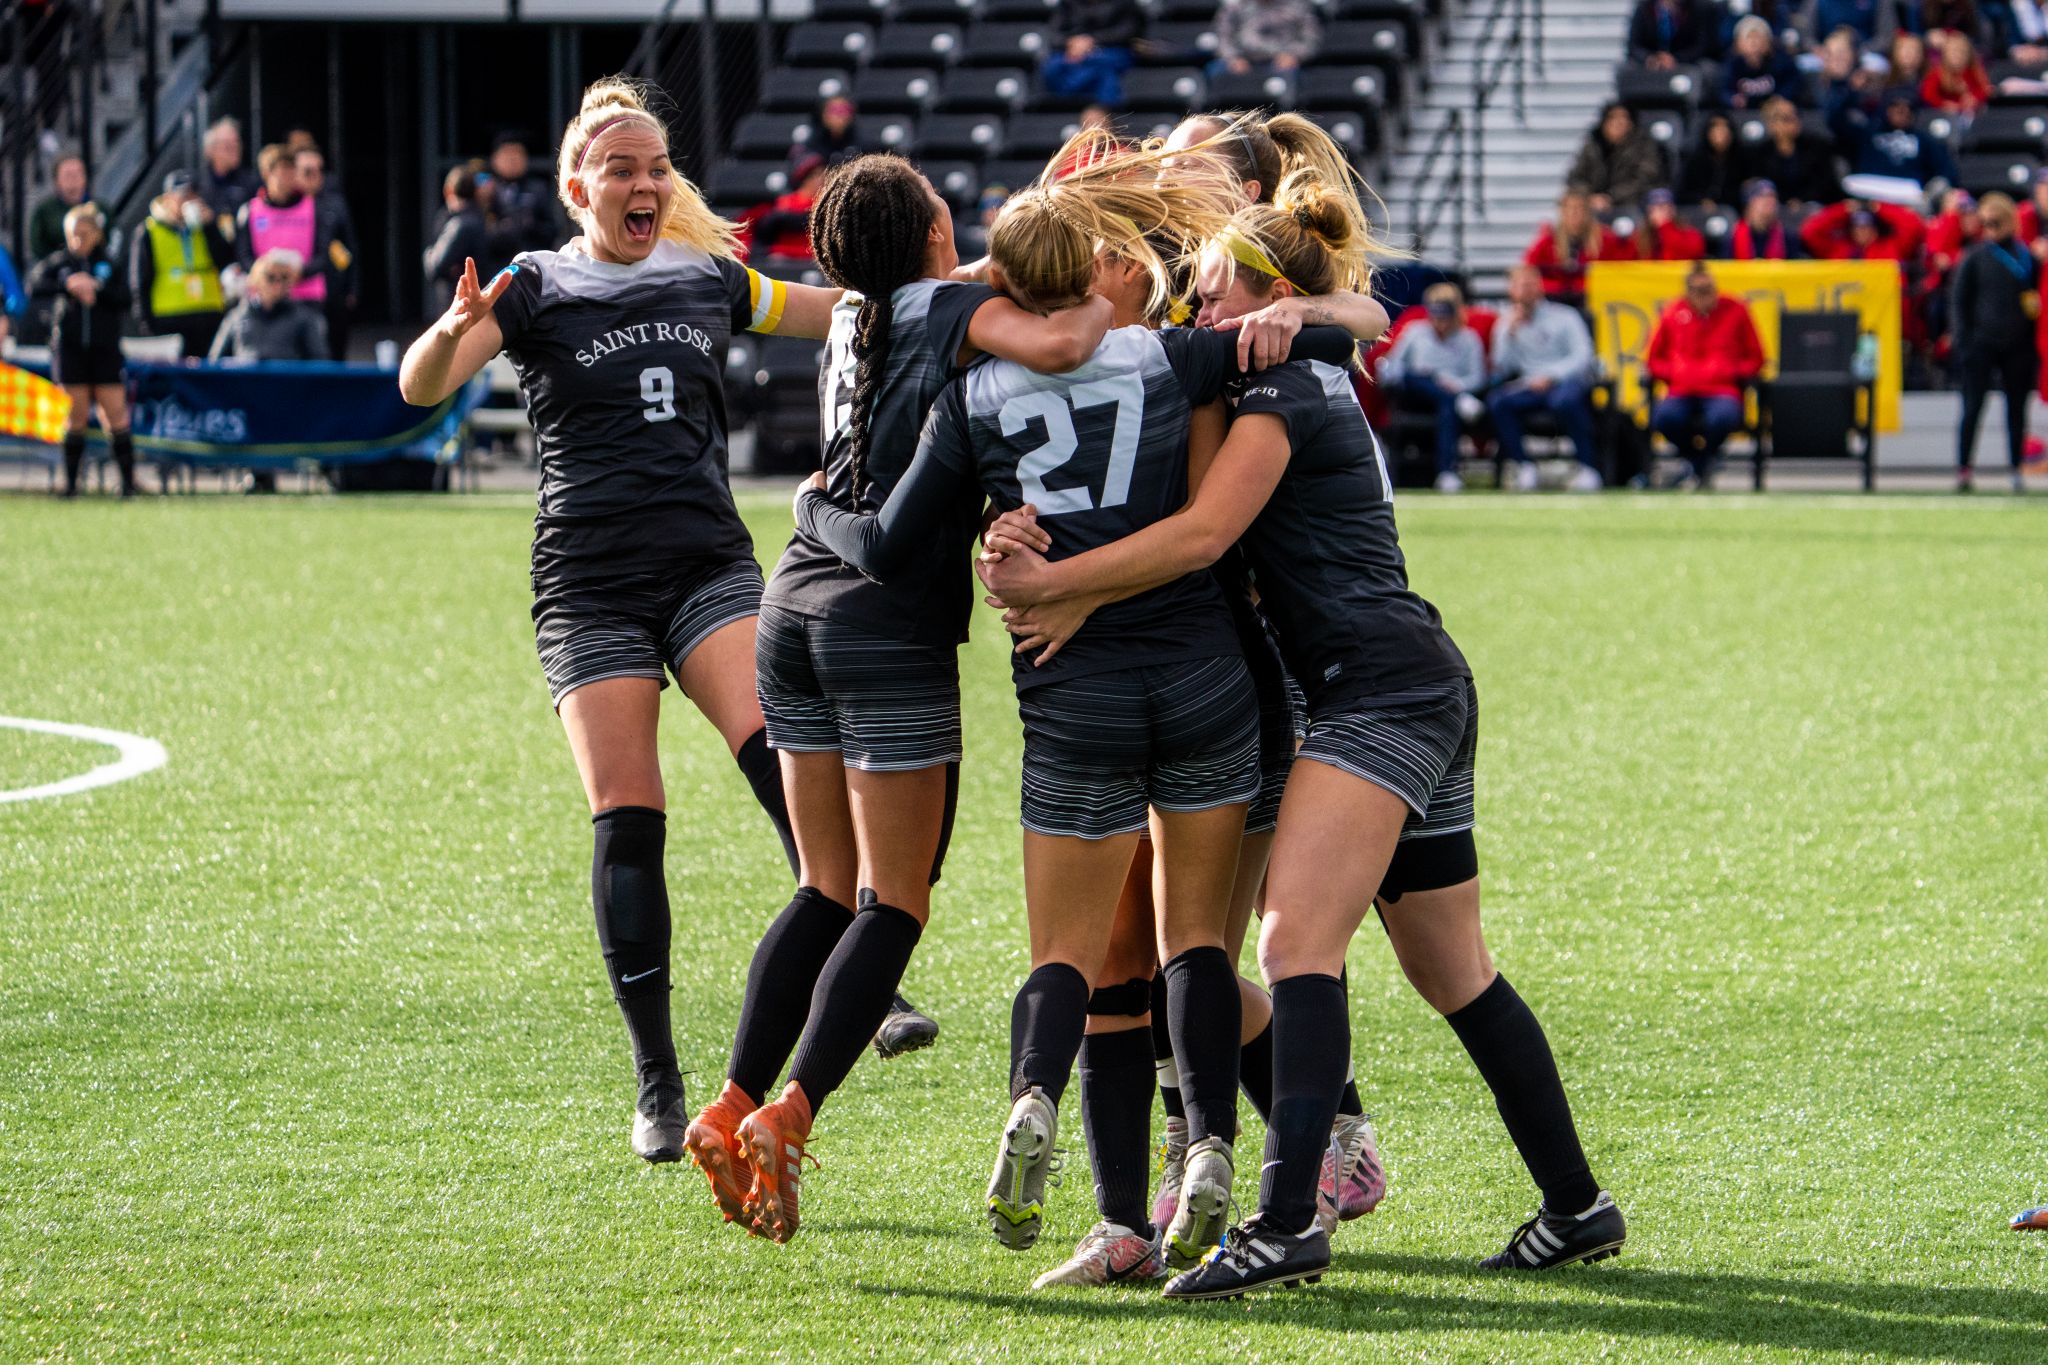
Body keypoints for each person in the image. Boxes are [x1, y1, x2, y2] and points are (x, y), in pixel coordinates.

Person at [980, 184, 1625, 1301]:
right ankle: (1575, 1206)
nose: (1194, 299)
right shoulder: (1284, 357)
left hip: (1371, 692)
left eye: (1214, 285)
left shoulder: (1280, 381)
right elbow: (1334, 326)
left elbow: (1205, 533)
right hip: (1415, 679)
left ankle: (1284, 1223)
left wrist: (1061, 590)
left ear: (1268, 296)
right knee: (1449, 969)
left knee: (1290, 947)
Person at [793, 138, 1366, 1278]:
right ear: (1103, 270)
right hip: (1204, 673)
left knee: (1064, 951)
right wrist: (1300, 316)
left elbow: (900, 538)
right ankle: (1204, 1148)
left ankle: (1031, 1105)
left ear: (1005, 283)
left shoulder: (973, 388)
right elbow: (1346, 328)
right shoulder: (1166, 356)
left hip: (1070, 687)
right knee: (1191, 943)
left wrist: (826, 513)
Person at [397, 77, 847, 1167]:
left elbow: (833, 311)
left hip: (705, 565)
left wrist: (955, 283)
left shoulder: (705, 272)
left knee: (777, 756)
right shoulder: (534, 281)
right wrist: (454, 328)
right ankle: (657, 1081)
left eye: (655, 167)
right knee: (629, 815)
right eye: (620, 168)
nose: (643, 183)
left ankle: (854, 971)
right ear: (575, 187)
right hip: (589, 581)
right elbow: (419, 388)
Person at [679, 152, 1119, 1244]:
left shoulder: (852, 318)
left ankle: (731, 1097)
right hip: (886, 625)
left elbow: (947, 282)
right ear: (929, 237)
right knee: (892, 900)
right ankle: (790, 1111)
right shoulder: (959, 311)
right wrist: (1119, 282)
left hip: (791, 607)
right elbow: (1062, 338)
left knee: (824, 885)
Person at [28, 203, 135, 497]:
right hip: (70, 348)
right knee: (73, 416)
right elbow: (35, 285)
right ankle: (72, 486)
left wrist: (96, 290)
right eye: (74, 235)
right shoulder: (59, 264)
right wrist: (69, 285)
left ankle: (127, 484)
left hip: (104, 349)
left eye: (85, 234)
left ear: (97, 234)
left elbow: (125, 297)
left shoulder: (110, 264)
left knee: (114, 414)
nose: (79, 240)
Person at [1645, 263, 1763, 487]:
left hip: (1722, 389)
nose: (1704, 296)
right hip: (1681, 390)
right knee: (1664, 417)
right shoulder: (1673, 312)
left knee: (1723, 417)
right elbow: (1653, 360)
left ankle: (1701, 461)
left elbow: (1756, 357)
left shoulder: (1736, 310)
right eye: (1697, 290)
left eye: (1708, 289)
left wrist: (1732, 371)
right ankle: (1698, 463)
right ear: (1687, 292)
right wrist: (1675, 372)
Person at [1487, 264, 1603, 491]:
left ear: (1540, 287)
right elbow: (1501, 367)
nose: (1526, 290)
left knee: (1565, 401)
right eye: (1520, 285)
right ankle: (1523, 466)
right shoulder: (1505, 323)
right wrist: (1509, 335)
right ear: (1511, 290)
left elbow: (1583, 355)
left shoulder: (1565, 316)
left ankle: (1587, 467)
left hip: (1564, 383)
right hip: (1528, 386)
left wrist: (1551, 376)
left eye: (1530, 284)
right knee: (1498, 402)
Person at [1950, 192, 2038, 492]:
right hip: (1982, 343)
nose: (1989, 228)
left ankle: (2015, 467)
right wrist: (1965, 342)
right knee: (1972, 407)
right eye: (1984, 223)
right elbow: (1959, 302)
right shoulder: (1975, 256)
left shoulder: (2026, 257)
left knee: (2016, 410)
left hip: (2018, 343)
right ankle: (1964, 468)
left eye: (1995, 222)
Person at [1378, 283, 1487, 493]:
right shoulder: (1415, 332)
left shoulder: (1469, 339)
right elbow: (1394, 366)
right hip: (1414, 394)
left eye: (1445, 317)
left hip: (1447, 398)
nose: (1440, 323)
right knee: (1419, 376)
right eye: (1436, 316)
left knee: (1447, 401)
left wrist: (1456, 385)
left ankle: (1446, 473)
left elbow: (1478, 377)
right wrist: (1432, 378)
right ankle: (1458, 399)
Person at [129, 170, 230, 361]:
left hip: (208, 313)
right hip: (168, 317)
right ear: (168, 198)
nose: (189, 201)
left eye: (193, 196)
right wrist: (145, 323)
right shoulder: (149, 231)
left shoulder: (206, 225)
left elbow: (225, 260)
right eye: (183, 196)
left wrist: (210, 227)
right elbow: (140, 281)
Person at [237, 145, 345, 319]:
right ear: (267, 173)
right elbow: (244, 257)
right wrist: (271, 275)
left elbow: (324, 254)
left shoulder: (314, 207)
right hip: (265, 299)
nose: (288, 179)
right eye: (283, 173)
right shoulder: (250, 211)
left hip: (307, 298)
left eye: (291, 172)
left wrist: (299, 272)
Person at [295, 146, 358, 360]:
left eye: (319, 170)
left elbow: (349, 246)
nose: (315, 176)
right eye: (308, 171)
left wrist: (353, 286)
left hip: (333, 287)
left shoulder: (334, 203)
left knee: (336, 349)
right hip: (302, 289)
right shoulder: (289, 206)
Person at [209, 250, 328, 363]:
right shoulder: (238, 316)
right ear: (256, 280)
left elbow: (319, 362)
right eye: (270, 277)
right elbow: (215, 361)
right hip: (245, 382)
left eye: (285, 277)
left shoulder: (304, 318)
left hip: (287, 382)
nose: (278, 283)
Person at [1830, 88, 1958, 188]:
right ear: (1886, 109)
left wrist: (1933, 190)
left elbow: (1946, 170)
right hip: (1869, 192)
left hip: (1909, 196)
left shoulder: (1924, 140)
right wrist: (1851, 92)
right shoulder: (1867, 134)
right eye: (1896, 106)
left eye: (1908, 108)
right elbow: (1835, 122)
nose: (1902, 111)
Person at [1523, 190, 1631, 305]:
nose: (1575, 214)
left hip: (1595, 299)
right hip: (1555, 300)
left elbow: (1623, 269)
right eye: (1570, 209)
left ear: (1588, 211)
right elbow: (1528, 268)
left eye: (1580, 209)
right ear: (1562, 212)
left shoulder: (1605, 239)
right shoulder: (1548, 240)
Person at [1738, 97, 1843, 207]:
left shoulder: (1817, 146)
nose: (1794, 121)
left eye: (1796, 116)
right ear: (1771, 124)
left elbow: (1824, 183)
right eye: (1786, 118)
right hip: (1776, 207)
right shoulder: (1760, 153)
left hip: (1813, 205)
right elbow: (1761, 184)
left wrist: (1801, 200)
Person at [482, 131, 564, 272]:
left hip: (532, 269)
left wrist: (531, 226)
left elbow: (553, 229)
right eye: (507, 154)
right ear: (495, 159)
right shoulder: (486, 190)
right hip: (494, 270)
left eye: (518, 153)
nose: (513, 159)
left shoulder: (538, 189)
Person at [1566, 103, 1666, 214]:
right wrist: (1590, 196)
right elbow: (1575, 178)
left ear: (1631, 123)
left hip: (1633, 205)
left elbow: (1644, 180)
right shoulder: (1593, 145)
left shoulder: (1644, 146)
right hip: (1595, 205)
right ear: (1604, 123)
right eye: (1612, 118)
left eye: (1624, 118)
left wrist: (1610, 197)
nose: (1618, 123)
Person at [1039, 0, 1141, 107]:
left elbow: (1128, 31)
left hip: (1111, 50)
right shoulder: (1067, 3)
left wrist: (1092, 41)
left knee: (1105, 71)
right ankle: (1066, 108)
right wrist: (1072, 43)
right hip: (1072, 51)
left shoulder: (1124, 3)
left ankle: (1104, 111)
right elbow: (1054, 34)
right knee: (1052, 67)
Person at [424, 164, 491, 316]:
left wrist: (429, 252)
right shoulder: (483, 219)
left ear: (448, 191)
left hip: (461, 308)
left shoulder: (461, 225)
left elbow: (434, 266)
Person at [744, 152, 827, 260]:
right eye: (817, 175)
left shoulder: (825, 203)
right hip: (785, 254)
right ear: (806, 178)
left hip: (814, 255)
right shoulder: (786, 202)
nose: (823, 178)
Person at [1212, 0, 1321, 78]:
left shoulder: (1298, 5)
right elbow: (1222, 36)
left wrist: (1293, 55)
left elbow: (1311, 38)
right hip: (1243, 59)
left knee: (1291, 76)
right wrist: (1233, 59)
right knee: (1216, 71)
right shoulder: (1236, 6)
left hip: (1282, 61)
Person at [1799, 198, 1926, 261]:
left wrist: (1879, 207)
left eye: (1866, 226)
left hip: (1884, 308)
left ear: (1875, 229)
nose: (1861, 231)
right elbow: (1809, 232)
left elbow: (1914, 226)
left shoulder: (1891, 247)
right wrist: (1843, 209)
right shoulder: (1838, 249)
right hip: (1845, 308)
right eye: (1857, 226)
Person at [1723, 16, 1806, 108]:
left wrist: (1781, 97)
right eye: (1748, 38)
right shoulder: (1731, 64)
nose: (1753, 43)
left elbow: (1793, 83)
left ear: (1768, 42)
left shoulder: (1782, 62)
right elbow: (1724, 90)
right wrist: (1732, 99)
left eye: (1757, 37)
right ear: (1738, 43)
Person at [199, 117, 261, 228]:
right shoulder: (197, 184)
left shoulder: (253, 182)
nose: (235, 148)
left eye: (237, 143)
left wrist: (214, 217)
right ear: (210, 150)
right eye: (227, 145)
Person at [29, 153, 88, 262]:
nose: (74, 180)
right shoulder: (44, 211)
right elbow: (38, 248)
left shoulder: (98, 208)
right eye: (68, 175)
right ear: (57, 181)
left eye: (78, 174)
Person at [1677, 113, 1744, 208]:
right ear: (1707, 132)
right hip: (1698, 212)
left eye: (1726, 127)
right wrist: (1701, 201)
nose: (1722, 132)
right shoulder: (1694, 161)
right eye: (1716, 127)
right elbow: (1682, 193)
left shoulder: (1742, 160)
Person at [1726, 179, 1805, 259]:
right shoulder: (1732, 236)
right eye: (1762, 196)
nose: (1769, 200)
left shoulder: (1788, 238)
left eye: (1772, 196)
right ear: (1749, 204)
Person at [1922, 30, 1992, 115]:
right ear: (1945, 55)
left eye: (1961, 52)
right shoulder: (1938, 73)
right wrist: (1943, 104)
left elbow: (1985, 89)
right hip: (1946, 115)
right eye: (1953, 52)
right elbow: (1927, 94)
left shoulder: (1974, 71)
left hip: (1972, 113)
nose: (1957, 56)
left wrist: (1975, 98)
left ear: (1968, 55)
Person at [1627, 0, 1714, 67]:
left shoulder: (1698, 7)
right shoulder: (1644, 7)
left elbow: (1701, 46)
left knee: (1707, 68)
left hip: (1685, 61)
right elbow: (1633, 45)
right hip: (1651, 60)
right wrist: (1649, 58)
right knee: (1627, 68)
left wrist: (1676, 59)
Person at [1636, 187, 1707, 260]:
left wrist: (1665, 228)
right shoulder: (1639, 236)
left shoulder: (1689, 233)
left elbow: (1693, 252)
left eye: (1666, 207)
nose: (1662, 213)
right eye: (1656, 208)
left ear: (1673, 210)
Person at [808, 97, 861, 165]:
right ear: (823, 115)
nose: (839, 117)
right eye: (834, 111)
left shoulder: (864, 148)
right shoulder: (812, 147)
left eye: (844, 111)